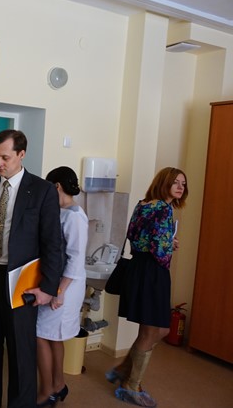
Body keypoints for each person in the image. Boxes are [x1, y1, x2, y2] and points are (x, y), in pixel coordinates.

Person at [0, 129, 63, 408]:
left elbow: (53, 243)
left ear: (21, 154)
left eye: (5, 157)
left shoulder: (42, 190)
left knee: (21, 350)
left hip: (22, 282)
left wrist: (48, 288)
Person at [106, 167, 188, 407]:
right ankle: (131, 386)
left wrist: (165, 241)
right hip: (153, 272)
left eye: (183, 183)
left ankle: (123, 369)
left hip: (137, 269)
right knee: (154, 331)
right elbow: (160, 250)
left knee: (153, 329)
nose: (180, 187)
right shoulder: (164, 209)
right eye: (175, 182)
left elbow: (135, 236)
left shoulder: (142, 204)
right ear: (164, 183)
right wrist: (171, 245)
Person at [36, 166, 89, 407]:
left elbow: (76, 257)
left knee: (40, 335)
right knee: (53, 337)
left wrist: (59, 292)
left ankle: (46, 390)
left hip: (65, 286)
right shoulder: (60, 211)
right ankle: (58, 384)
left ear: (56, 186)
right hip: (55, 282)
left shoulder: (75, 216)